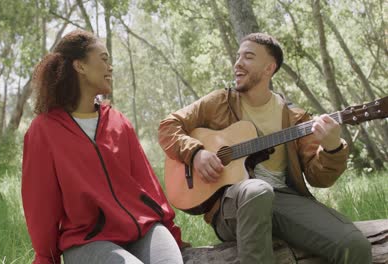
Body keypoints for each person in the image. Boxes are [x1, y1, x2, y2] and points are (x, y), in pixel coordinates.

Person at [158, 33, 371, 264]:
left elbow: (319, 178)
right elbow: (168, 126)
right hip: (232, 205)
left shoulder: (295, 118)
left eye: (248, 57)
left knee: (354, 245)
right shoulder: (218, 102)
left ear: (269, 68)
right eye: (238, 56)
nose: (238, 63)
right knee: (258, 190)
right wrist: (196, 153)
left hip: (285, 200)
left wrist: (332, 148)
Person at [22, 29, 183, 264]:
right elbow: (40, 204)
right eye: (104, 59)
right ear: (80, 66)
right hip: (88, 241)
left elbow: (148, 184)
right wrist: (46, 257)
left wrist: (170, 229)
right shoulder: (44, 131)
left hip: (143, 229)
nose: (110, 67)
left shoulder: (118, 122)